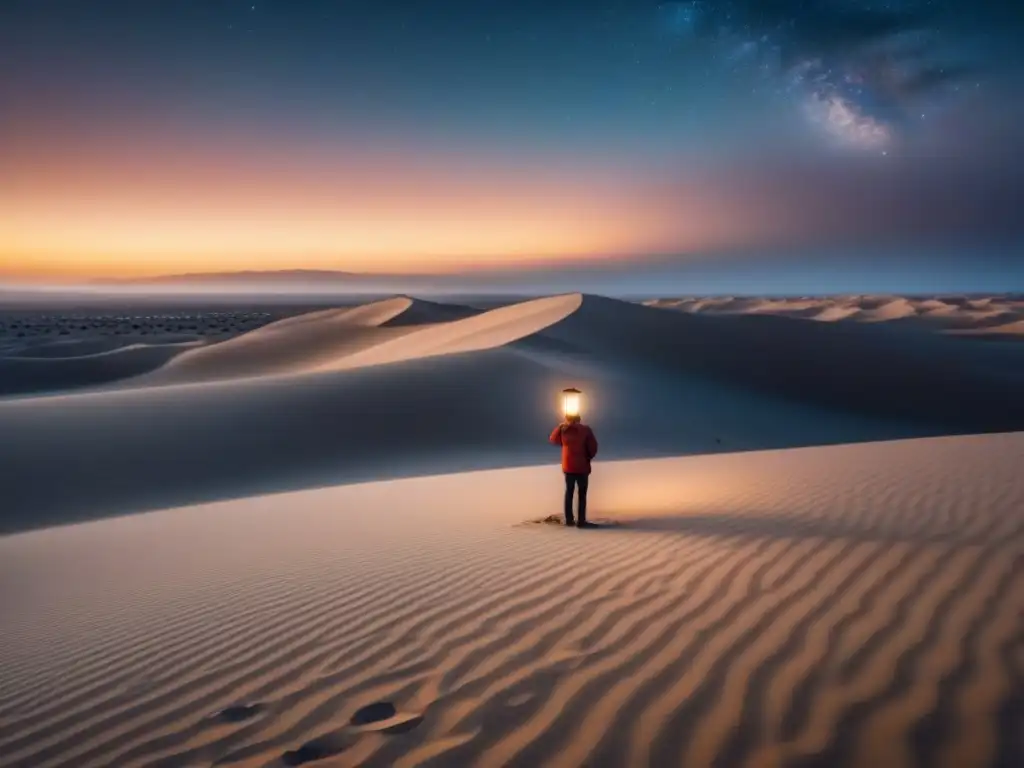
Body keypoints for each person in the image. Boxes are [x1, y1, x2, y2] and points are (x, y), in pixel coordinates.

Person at [548, 414, 599, 527]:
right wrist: (588, 457)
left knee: (569, 492)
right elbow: (593, 447)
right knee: (582, 494)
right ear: (579, 419)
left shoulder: (564, 430)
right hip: (582, 467)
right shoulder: (585, 430)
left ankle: (569, 519)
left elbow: (553, 439)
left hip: (569, 467)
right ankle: (581, 520)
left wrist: (560, 426)